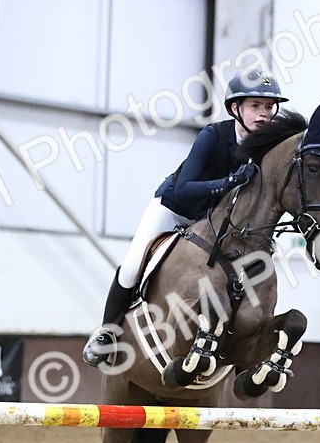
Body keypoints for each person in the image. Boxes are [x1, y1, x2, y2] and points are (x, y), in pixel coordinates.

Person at [82, 67, 287, 367]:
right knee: (131, 267)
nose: (264, 114)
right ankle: (107, 335)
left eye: (269, 107)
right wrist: (231, 181)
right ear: (235, 108)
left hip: (212, 222)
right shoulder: (212, 136)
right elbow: (185, 188)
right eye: (255, 106)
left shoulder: (267, 148)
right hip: (174, 207)